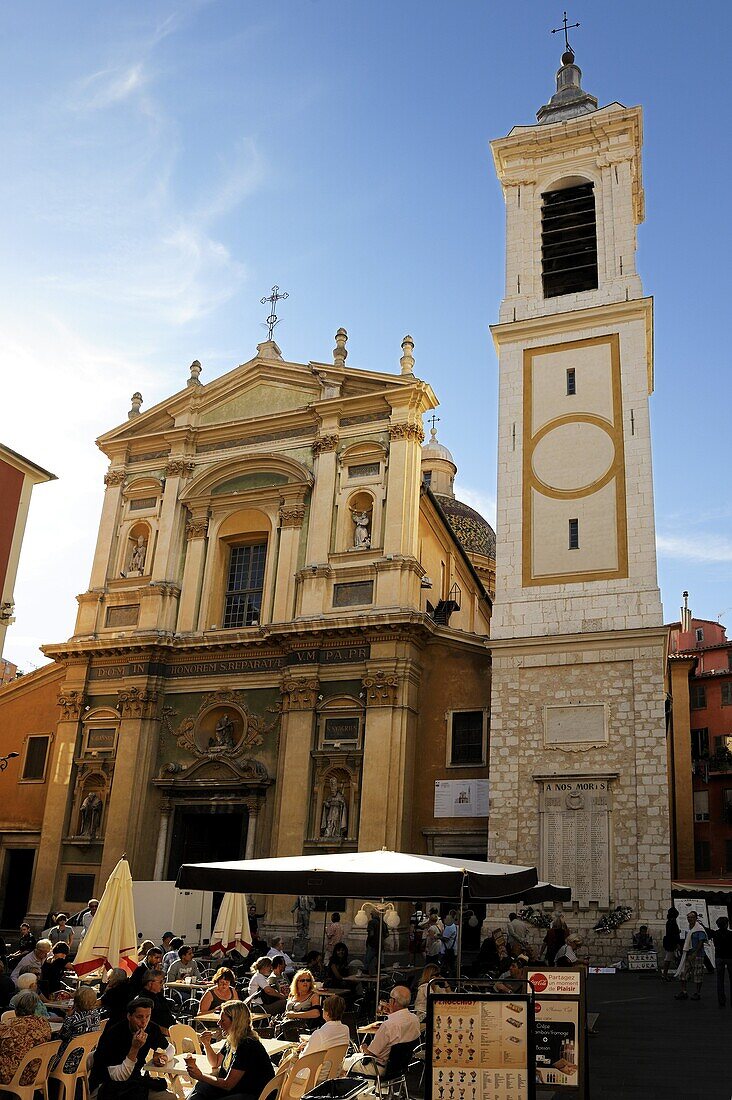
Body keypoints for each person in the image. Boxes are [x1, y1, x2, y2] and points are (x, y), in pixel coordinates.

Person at [185, 1001, 274, 1100]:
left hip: (255, 1095)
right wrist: (206, 1044)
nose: (218, 1023)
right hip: (237, 1089)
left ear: (235, 1022)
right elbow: (215, 1062)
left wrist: (201, 1076)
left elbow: (228, 1084)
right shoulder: (233, 1039)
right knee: (201, 1087)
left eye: (223, 1021)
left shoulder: (247, 1045)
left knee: (203, 1085)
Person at [91, 995, 173, 1100]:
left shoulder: (151, 1028)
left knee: (170, 1097)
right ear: (129, 1016)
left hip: (135, 1083)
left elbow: (170, 1048)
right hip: (108, 1085)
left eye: (147, 1016)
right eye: (139, 1017)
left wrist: (165, 1057)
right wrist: (135, 1048)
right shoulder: (115, 1033)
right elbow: (117, 1076)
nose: (144, 1022)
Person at [346, 986, 420, 1076]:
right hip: (400, 1068)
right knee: (353, 1057)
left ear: (393, 1001)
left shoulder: (388, 1025)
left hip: (379, 1069)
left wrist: (363, 1047)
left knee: (341, 1064)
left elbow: (371, 1053)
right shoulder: (415, 1019)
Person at [0, 990, 52, 1086]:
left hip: (11, 1076)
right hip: (36, 1073)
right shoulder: (44, 1024)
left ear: (16, 1008)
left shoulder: (7, 1026)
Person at [53, 985, 104, 1071]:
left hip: (68, 1062)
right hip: (86, 1059)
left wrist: (68, 1017)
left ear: (76, 1001)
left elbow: (61, 1037)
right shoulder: (96, 1015)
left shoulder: (73, 1019)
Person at [675, 911, 708, 1001]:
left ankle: (697, 993)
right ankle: (684, 991)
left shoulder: (699, 929)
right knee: (683, 973)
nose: (690, 919)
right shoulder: (688, 929)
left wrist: (694, 953)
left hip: (697, 955)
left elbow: (701, 942)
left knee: (698, 973)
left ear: (696, 918)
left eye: (692, 917)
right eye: (688, 917)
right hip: (688, 954)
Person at [138, 969, 175, 1036]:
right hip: (158, 1035)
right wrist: (164, 1030)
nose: (162, 985)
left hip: (172, 1030)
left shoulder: (158, 995)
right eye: (160, 982)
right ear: (150, 983)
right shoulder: (143, 1000)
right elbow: (146, 1022)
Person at [712, 916, 732, 1008]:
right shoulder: (730, 934)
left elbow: (715, 944)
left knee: (720, 980)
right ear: (726, 924)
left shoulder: (716, 934)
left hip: (719, 957)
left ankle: (721, 1000)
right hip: (729, 957)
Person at [661, 907, 682, 981]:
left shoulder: (669, 921)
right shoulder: (673, 921)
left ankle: (665, 974)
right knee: (669, 958)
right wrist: (678, 943)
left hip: (669, 942)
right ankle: (665, 974)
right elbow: (674, 934)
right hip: (671, 943)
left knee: (669, 958)